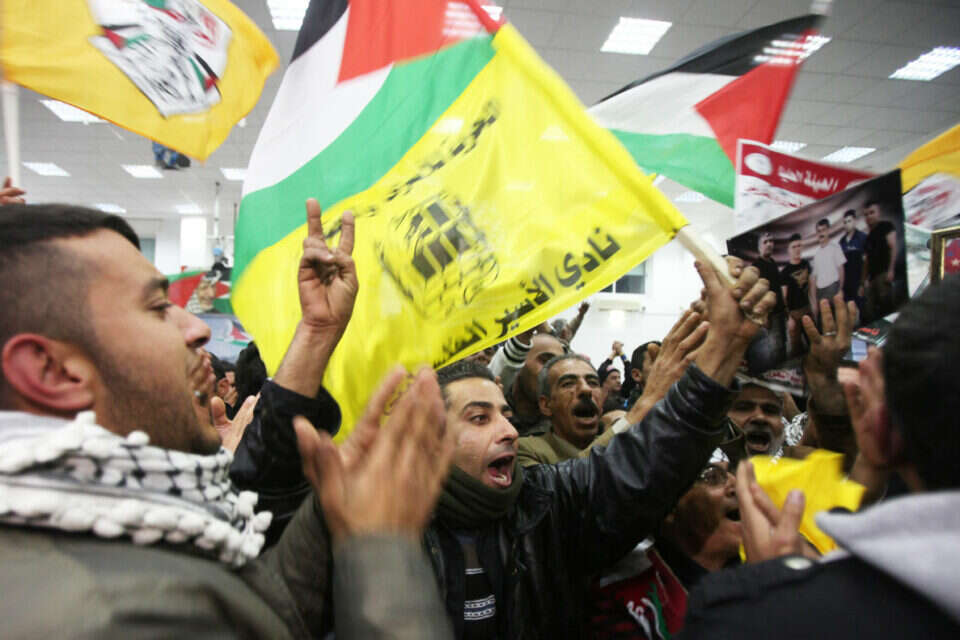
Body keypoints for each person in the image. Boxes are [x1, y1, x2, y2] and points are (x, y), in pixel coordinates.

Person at [0, 202, 454, 639]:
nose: (198, 328)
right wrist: (382, 550)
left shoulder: (95, 541)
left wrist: (340, 504)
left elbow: (262, 607)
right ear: (50, 370)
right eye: (157, 308)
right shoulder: (107, 617)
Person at [425, 259, 776, 639]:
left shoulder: (543, 505)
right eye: (480, 418)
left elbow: (640, 465)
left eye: (506, 415)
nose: (509, 431)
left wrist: (724, 347)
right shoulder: (392, 529)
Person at [680, 278, 960, 639]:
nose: (759, 418)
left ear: (879, 434)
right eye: (744, 407)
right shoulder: (690, 478)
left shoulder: (746, 615)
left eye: (770, 409)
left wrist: (777, 599)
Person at [488, 324, 565, 436]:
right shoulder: (491, 402)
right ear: (520, 361)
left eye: (559, 366)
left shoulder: (562, 428)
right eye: (545, 361)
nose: (553, 372)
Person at [747, 231, 787, 372]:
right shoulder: (756, 267)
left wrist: (785, 307)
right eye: (765, 242)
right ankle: (776, 374)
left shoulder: (773, 263)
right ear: (759, 247)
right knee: (775, 346)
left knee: (782, 343)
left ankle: (784, 372)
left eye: (771, 241)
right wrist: (765, 315)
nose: (769, 244)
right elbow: (756, 294)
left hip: (780, 311)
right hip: (770, 314)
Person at [863, 200, 899, 322]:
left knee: (887, 308)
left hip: (884, 274)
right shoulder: (868, 237)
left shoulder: (886, 226)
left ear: (878, 212)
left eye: (872, 212)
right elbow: (867, 260)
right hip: (872, 279)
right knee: (871, 312)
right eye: (866, 214)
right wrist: (865, 280)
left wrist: (891, 270)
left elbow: (893, 247)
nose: (869, 216)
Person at [780, 233, 813, 357]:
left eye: (799, 246)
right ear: (789, 250)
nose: (797, 249)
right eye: (794, 247)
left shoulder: (806, 264)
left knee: (814, 342)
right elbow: (784, 297)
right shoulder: (785, 272)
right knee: (797, 349)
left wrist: (813, 307)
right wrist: (789, 318)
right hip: (794, 314)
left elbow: (811, 288)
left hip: (807, 309)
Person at [810, 218, 846, 315]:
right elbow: (814, 278)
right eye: (818, 231)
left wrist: (841, 289)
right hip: (820, 293)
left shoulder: (835, 247)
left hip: (833, 289)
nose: (821, 233)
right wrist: (814, 300)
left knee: (838, 317)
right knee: (826, 321)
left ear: (828, 231)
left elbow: (841, 269)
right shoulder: (816, 254)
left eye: (823, 230)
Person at [839, 209, 867, 310]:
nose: (847, 224)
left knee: (862, 309)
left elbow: (866, 262)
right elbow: (840, 266)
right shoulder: (841, 242)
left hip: (859, 282)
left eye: (849, 221)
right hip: (846, 285)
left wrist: (863, 283)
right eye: (845, 222)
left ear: (855, 221)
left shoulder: (862, 238)